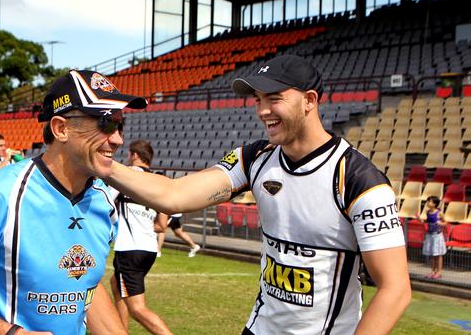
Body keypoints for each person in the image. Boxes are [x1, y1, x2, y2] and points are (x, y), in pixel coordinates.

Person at [106, 55, 411, 335]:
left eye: (274, 99)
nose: (262, 110)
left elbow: (395, 289)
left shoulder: (360, 180)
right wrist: (104, 167)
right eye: (258, 99)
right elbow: (175, 194)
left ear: (309, 100)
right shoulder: (254, 159)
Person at [0, 69, 146, 334]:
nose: (118, 139)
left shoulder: (104, 202)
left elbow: (86, 287)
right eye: (105, 123)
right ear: (61, 128)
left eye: (120, 125)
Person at [109, 140, 171, 334]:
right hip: (149, 249)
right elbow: (161, 225)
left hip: (129, 249)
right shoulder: (157, 180)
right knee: (116, 283)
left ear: (134, 155)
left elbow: (106, 200)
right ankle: (121, 331)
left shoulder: (126, 175)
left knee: (137, 308)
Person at [417, 196, 447, 279]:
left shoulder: (439, 213)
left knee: (439, 254)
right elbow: (427, 221)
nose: (427, 203)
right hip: (430, 234)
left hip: (437, 235)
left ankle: (439, 272)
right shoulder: (427, 212)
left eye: (429, 201)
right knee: (432, 254)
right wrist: (420, 219)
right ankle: (433, 271)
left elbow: (445, 222)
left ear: (434, 204)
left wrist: (440, 223)